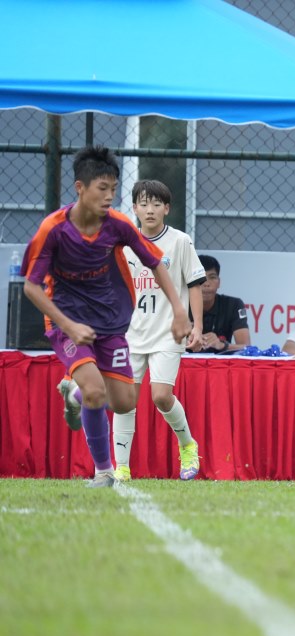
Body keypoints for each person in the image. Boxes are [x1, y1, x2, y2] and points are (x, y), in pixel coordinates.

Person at [20, 146, 189, 488]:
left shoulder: (119, 225)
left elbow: (156, 262)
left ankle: (74, 395)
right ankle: (103, 471)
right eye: (102, 188)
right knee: (97, 391)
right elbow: (31, 288)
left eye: (113, 189)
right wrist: (68, 325)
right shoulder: (52, 229)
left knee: (125, 402)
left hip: (111, 324)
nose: (110, 196)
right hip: (67, 324)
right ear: (80, 187)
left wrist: (179, 311)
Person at [90, 179, 207, 482]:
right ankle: (123, 468)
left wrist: (197, 325)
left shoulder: (180, 241)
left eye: (157, 204)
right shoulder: (124, 243)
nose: (150, 210)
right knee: (123, 399)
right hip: (129, 335)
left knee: (161, 396)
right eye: (144, 203)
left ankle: (188, 446)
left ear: (167, 208)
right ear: (134, 208)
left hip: (168, 334)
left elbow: (194, 284)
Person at [194, 254, 251, 353]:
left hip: (222, 365)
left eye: (212, 277)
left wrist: (221, 345)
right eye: (201, 277)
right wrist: (185, 343)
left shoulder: (233, 305)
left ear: (219, 282)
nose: (206, 283)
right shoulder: (180, 305)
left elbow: (246, 347)